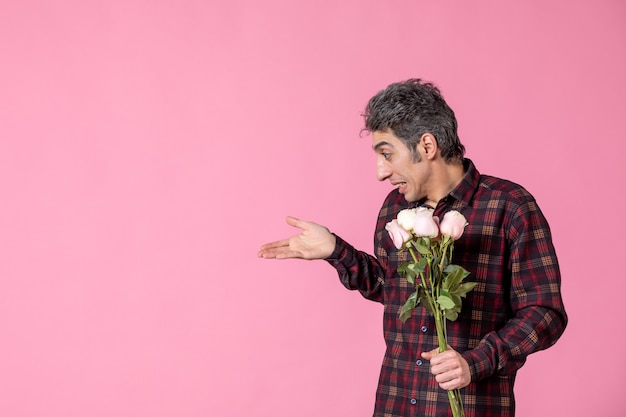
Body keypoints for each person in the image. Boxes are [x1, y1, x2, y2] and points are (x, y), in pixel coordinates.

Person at [257, 79, 567, 417]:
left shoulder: (510, 206)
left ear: (427, 145)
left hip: (469, 406)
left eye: (387, 154)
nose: (380, 172)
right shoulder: (395, 209)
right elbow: (393, 289)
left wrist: (476, 361)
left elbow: (544, 312)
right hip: (396, 402)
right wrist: (336, 250)